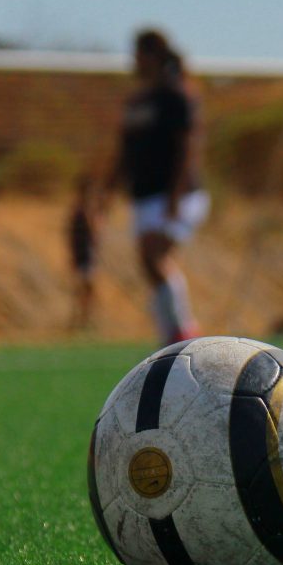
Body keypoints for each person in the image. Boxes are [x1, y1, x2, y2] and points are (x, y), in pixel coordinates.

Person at [105, 29, 209, 346]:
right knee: (148, 264)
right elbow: (124, 152)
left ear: (152, 55)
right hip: (145, 197)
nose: (133, 60)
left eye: (137, 53)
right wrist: (107, 191)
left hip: (178, 194)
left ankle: (183, 330)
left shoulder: (176, 95)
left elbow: (187, 145)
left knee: (154, 257)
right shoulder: (137, 102)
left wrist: (175, 195)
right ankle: (170, 336)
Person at [68, 173, 100, 330]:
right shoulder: (82, 211)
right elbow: (90, 233)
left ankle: (84, 320)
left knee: (87, 290)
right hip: (84, 254)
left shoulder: (86, 210)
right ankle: (80, 321)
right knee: (84, 288)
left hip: (87, 254)